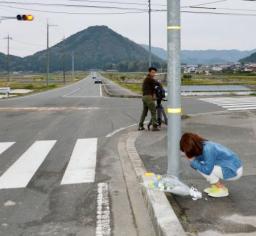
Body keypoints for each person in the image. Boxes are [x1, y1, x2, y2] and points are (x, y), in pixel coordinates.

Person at [180, 132, 243, 198]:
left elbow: (207, 170)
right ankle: (216, 186)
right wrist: (194, 162)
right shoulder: (203, 145)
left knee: (203, 168)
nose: (185, 153)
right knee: (200, 165)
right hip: (233, 167)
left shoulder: (208, 149)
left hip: (233, 171)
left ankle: (221, 188)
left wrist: (192, 161)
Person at [138, 67, 160, 131]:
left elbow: (153, 87)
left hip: (144, 97)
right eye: (152, 72)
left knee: (144, 112)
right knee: (153, 111)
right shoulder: (149, 79)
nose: (154, 74)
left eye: (155, 72)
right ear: (149, 72)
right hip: (148, 97)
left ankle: (140, 126)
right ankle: (154, 126)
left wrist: (154, 94)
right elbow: (158, 84)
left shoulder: (148, 79)